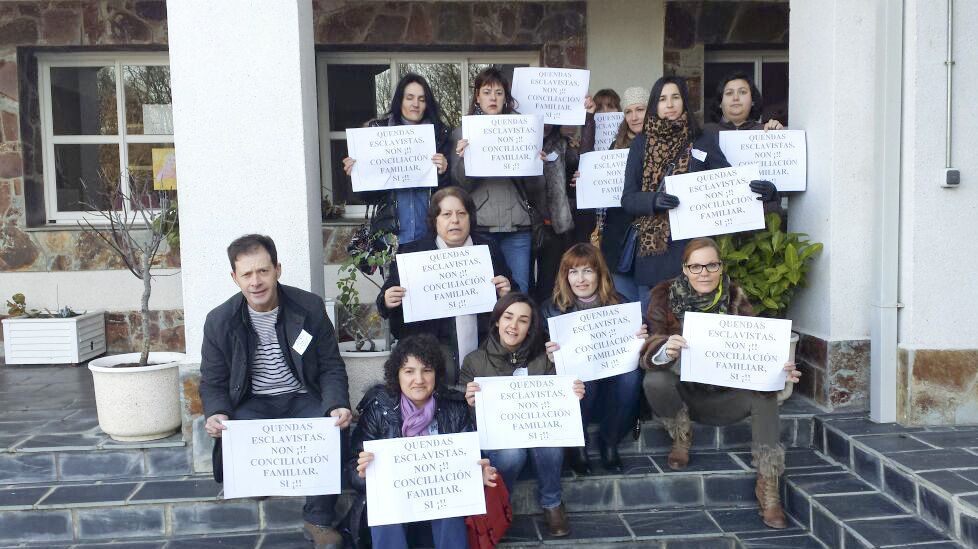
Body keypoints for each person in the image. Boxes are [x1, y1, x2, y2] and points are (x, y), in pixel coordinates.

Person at [200, 234, 351, 549]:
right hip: (252, 401)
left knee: (333, 427)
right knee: (238, 437)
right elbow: (213, 381)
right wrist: (215, 413)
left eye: (263, 271)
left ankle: (319, 519)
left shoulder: (308, 307)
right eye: (247, 274)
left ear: (277, 269)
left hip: (301, 396)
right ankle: (261, 477)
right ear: (234, 277)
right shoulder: (219, 321)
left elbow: (330, 366)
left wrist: (337, 404)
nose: (256, 282)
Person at [640, 238, 801, 529]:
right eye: (696, 266)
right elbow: (648, 348)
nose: (704, 272)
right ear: (685, 269)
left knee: (765, 393)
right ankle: (680, 434)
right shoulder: (664, 298)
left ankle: (769, 484)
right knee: (655, 379)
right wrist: (666, 347)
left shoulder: (735, 297)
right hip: (685, 396)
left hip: (726, 397)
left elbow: (756, 352)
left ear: (720, 267)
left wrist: (779, 369)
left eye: (711, 265)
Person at [620, 76, 779, 316]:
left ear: (685, 101)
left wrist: (768, 192)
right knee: (658, 331)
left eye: (676, 97)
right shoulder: (641, 144)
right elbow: (628, 199)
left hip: (696, 258)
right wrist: (653, 201)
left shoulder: (702, 139)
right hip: (653, 258)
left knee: (696, 332)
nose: (670, 104)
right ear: (655, 105)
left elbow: (729, 183)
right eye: (663, 99)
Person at [351, 334, 498, 549]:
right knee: (384, 504)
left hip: (439, 502)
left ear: (436, 375)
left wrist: (481, 471)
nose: (418, 380)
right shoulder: (377, 408)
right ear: (397, 375)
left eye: (426, 370)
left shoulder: (454, 407)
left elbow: (472, 456)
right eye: (409, 371)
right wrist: (362, 473)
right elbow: (351, 469)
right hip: (397, 502)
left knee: (450, 501)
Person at [461, 293, 585, 538]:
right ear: (497, 320)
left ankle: (552, 503)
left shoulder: (546, 358)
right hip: (500, 440)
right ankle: (499, 504)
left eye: (523, 320)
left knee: (550, 444)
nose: (513, 326)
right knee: (511, 455)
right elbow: (466, 416)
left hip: (539, 432)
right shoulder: (474, 361)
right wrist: (470, 402)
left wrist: (573, 393)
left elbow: (559, 407)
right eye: (508, 317)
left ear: (530, 327)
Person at [376, 187, 515, 387]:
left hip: (484, 345)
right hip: (431, 346)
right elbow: (384, 303)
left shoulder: (488, 248)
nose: (455, 221)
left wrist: (506, 293)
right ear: (435, 220)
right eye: (446, 214)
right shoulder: (413, 253)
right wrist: (388, 300)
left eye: (461, 214)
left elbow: (515, 297)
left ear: (470, 217)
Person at [541, 243, 648, 474]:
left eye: (588, 270)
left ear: (600, 274)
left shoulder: (622, 304)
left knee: (630, 377)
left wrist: (640, 338)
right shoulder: (551, 310)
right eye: (573, 271)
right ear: (565, 276)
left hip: (614, 376)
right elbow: (539, 358)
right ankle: (578, 445)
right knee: (581, 378)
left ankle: (609, 441)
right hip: (581, 383)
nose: (581, 279)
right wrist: (549, 355)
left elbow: (637, 348)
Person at [451, 67, 544, 294]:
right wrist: (463, 158)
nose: (493, 97)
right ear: (477, 97)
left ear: (506, 97)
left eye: (499, 92)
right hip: (480, 226)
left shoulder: (523, 129)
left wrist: (535, 164)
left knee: (518, 291)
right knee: (483, 293)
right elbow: (461, 186)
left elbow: (536, 189)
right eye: (487, 91)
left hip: (518, 227)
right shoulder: (462, 132)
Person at [343, 72, 452, 246]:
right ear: (400, 100)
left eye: (422, 99)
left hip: (431, 236)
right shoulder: (377, 134)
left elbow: (451, 194)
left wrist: (444, 172)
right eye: (410, 98)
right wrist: (355, 175)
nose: (415, 104)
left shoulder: (440, 135)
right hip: (391, 238)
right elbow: (365, 197)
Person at [576, 86, 649, 303]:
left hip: (650, 240)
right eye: (628, 112)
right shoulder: (614, 146)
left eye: (640, 110)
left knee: (650, 306)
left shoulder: (661, 146)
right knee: (623, 302)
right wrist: (587, 179)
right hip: (618, 239)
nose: (634, 117)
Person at [533, 123, 579, 302]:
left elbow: (576, 171)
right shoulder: (517, 138)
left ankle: (545, 327)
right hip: (522, 223)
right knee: (524, 284)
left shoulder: (563, 144)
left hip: (554, 226)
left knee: (550, 284)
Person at [706, 72, 784, 131]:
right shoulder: (706, 133)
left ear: (753, 100)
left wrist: (777, 134)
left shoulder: (764, 132)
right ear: (720, 102)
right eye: (729, 93)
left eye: (742, 92)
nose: (735, 98)